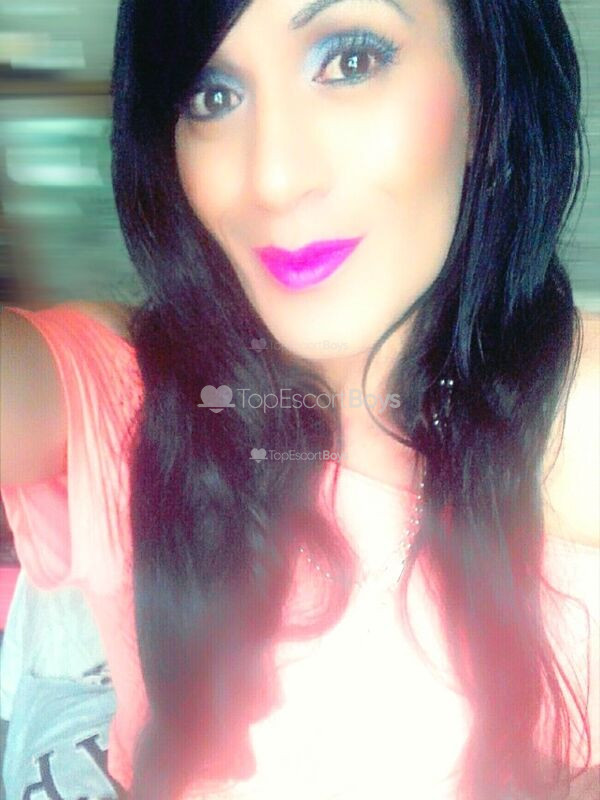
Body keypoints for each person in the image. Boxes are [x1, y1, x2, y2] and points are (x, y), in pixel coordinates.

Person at [1, 0, 599, 798]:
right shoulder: (138, 394)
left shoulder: (579, 414)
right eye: (212, 95)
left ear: (487, 98)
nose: (274, 179)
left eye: (350, 61)